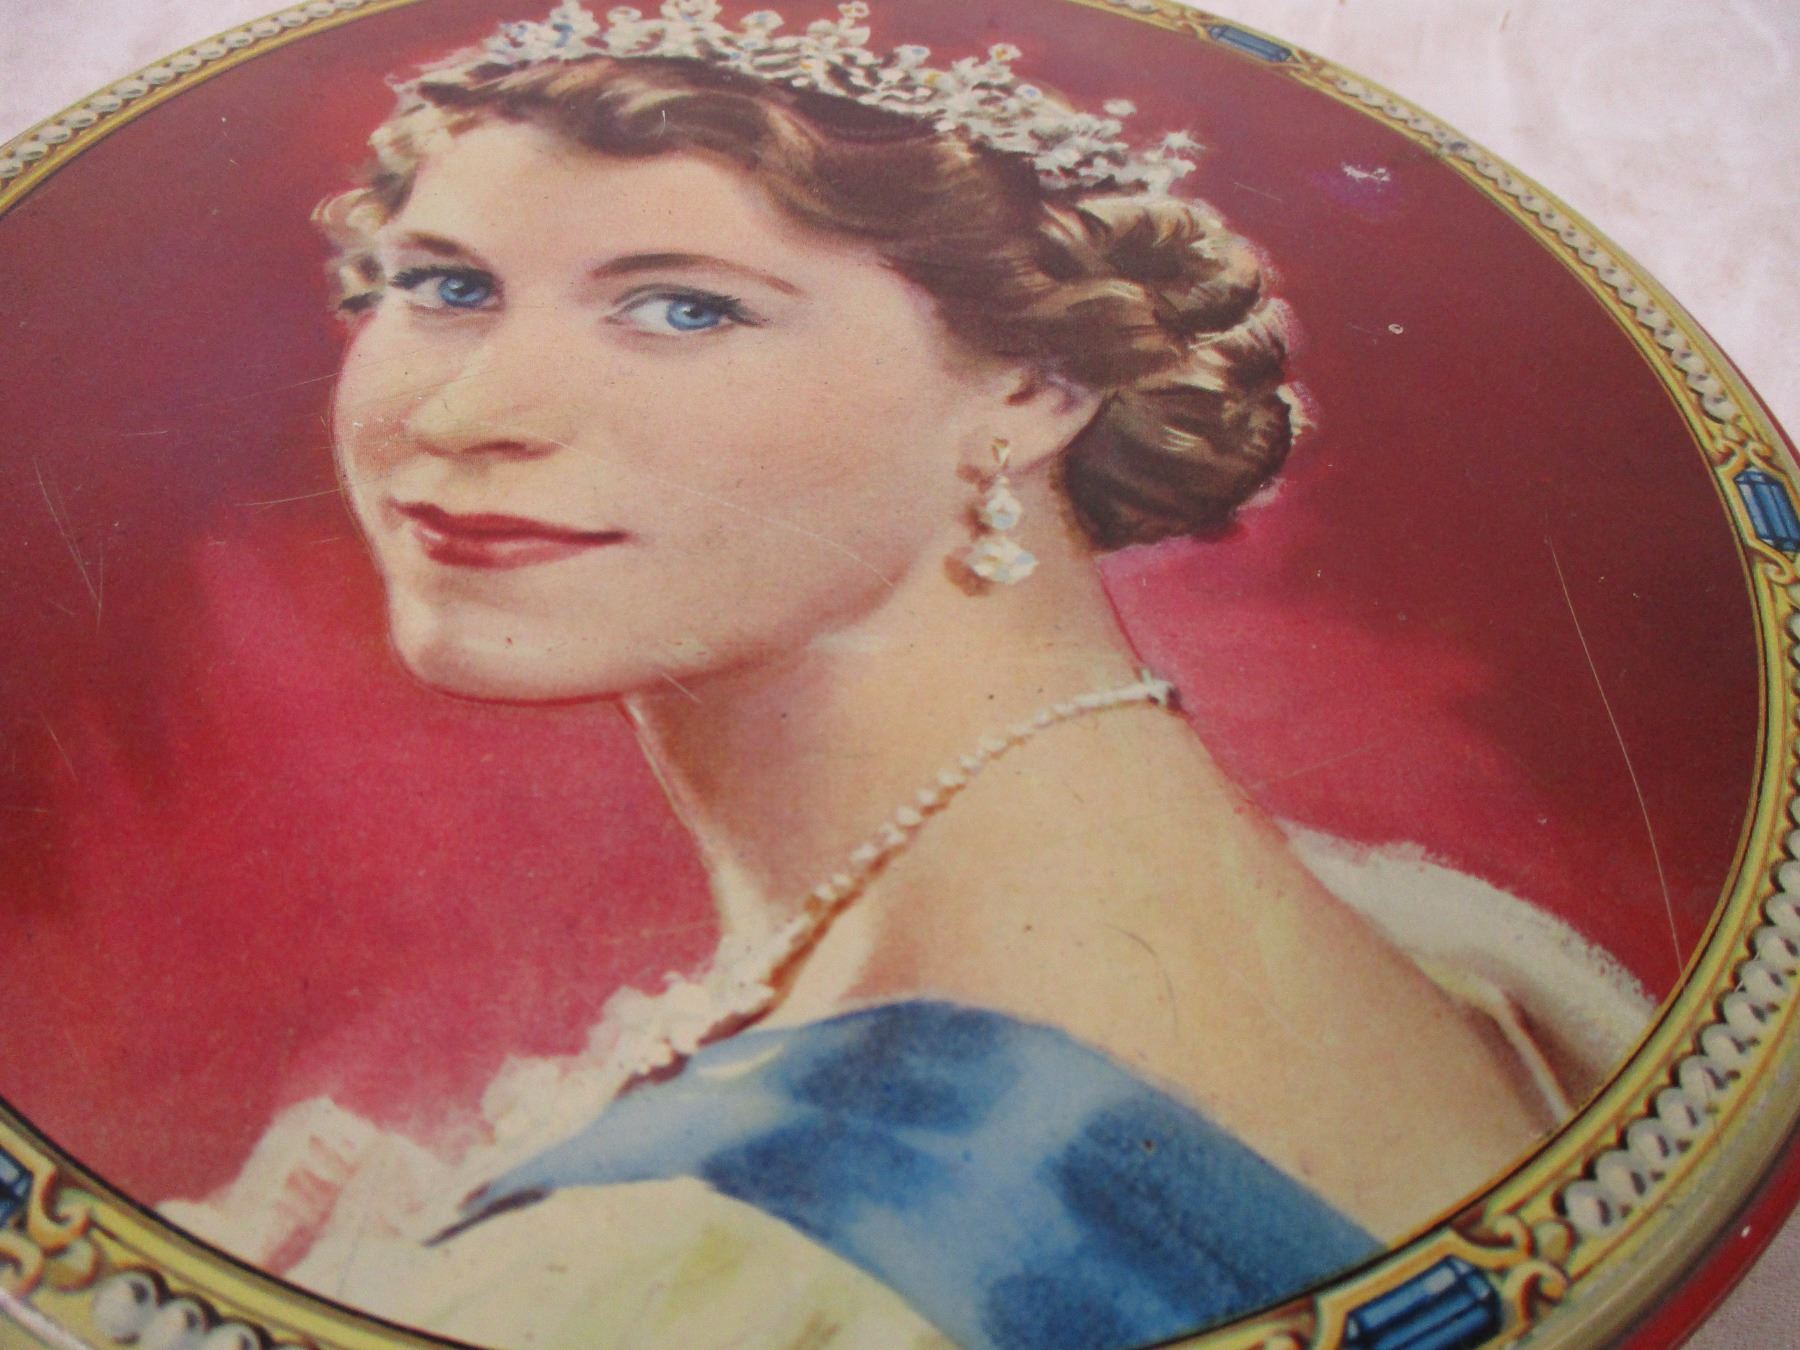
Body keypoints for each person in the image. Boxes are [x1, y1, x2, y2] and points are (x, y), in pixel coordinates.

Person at [161, 3, 1649, 1345]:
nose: (463, 413)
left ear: (1032, 388)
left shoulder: (728, 1257)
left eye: (684, 307)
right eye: (443, 285)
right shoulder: (1414, 938)